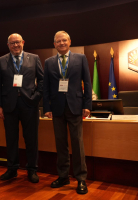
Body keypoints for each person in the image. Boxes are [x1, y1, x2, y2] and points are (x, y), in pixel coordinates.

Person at [43, 31, 92, 194]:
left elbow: (87, 82)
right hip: (56, 108)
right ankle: (63, 176)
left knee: (77, 144)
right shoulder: (49, 62)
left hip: (76, 106)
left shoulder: (81, 58)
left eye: (64, 40)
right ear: (54, 44)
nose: (61, 43)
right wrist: (47, 108)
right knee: (60, 143)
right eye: (58, 41)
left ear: (70, 41)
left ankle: (81, 179)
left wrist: (87, 105)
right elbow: (46, 88)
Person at [0, 33, 44, 183]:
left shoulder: (34, 58)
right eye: (12, 43)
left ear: (23, 42)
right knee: (11, 138)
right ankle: (12, 169)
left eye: (18, 42)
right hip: (9, 106)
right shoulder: (1, 61)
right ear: (8, 45)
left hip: (29, 104)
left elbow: (42, 80)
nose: (15, 45)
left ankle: (32, 170)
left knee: (31, 139)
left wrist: (36, 98)